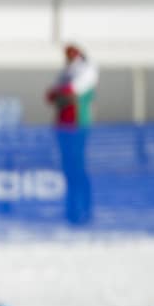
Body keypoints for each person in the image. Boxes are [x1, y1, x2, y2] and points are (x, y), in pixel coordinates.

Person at [46, 43, 97, 226]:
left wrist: (62, 95)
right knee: (69, 171)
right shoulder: (66, 73)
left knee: (77, 170)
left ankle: (83, 210)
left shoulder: (84, 70)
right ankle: (73, 210)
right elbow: (51, 94)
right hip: (63, 127)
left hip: (77, 126)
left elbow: (71, 91)